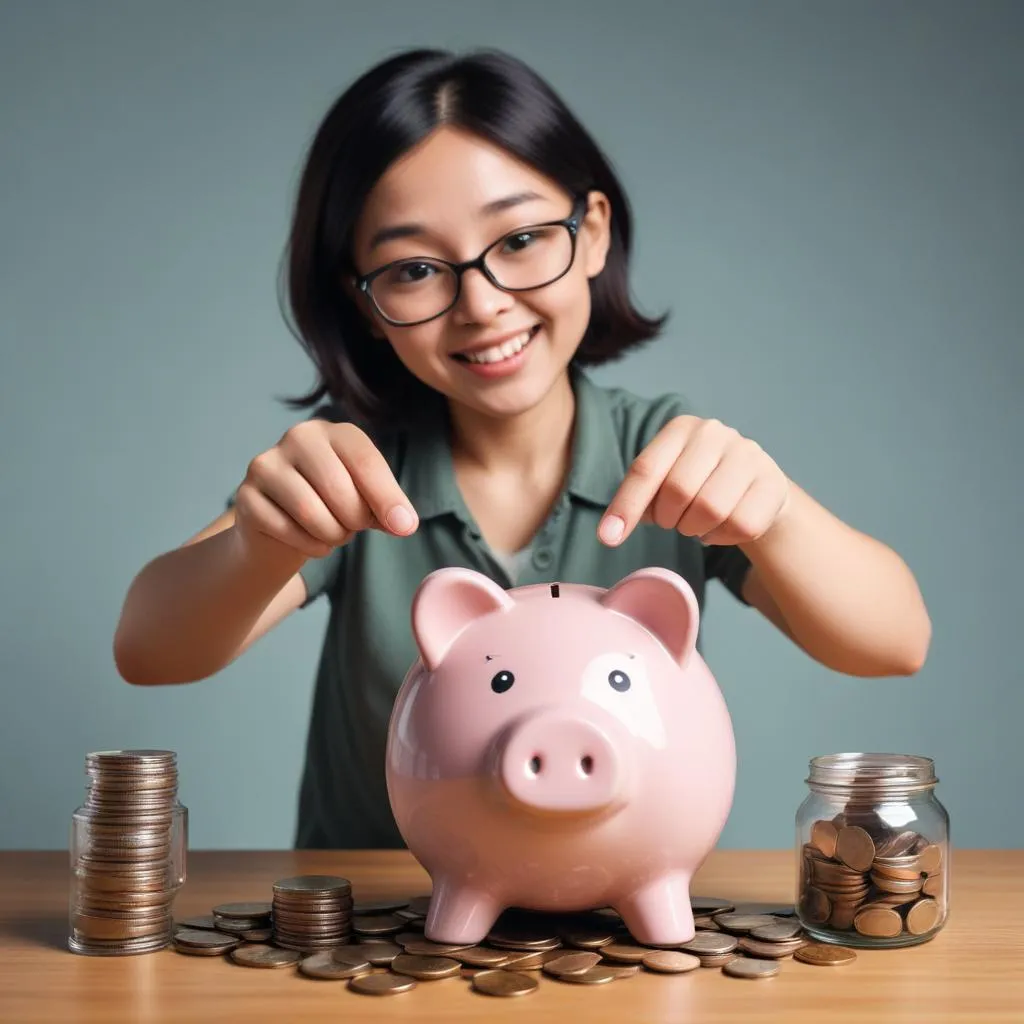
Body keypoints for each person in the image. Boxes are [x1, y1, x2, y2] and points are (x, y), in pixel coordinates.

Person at [113, 48, 931, 849]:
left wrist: (775, 513)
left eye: (521, 240)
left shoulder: (665, 458)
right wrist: (260, 544)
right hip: (381, 938)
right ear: (363, 302)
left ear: (595, 232)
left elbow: (895, 641)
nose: (482, 304)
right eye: (414, 269)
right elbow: (151, 650)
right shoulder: (355, 471)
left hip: (624, 935)